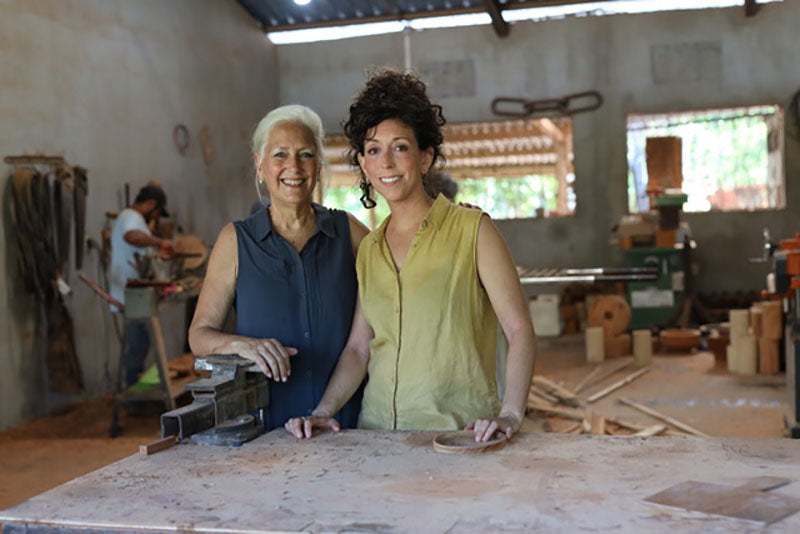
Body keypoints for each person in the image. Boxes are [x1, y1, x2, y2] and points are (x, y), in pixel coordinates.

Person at [285, 70, 536, 442]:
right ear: (364, 166)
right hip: (379, 437)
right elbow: (358, 349)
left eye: (400, 147)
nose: (386, 161)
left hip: (458, 437)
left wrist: (511, 414)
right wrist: (323, 411)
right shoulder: (370, 249)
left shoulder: (473, 230)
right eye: (373, 150)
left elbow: (519, 330)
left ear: (424, 158)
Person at [188, 105, 368, 431]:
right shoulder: (236, 240)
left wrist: (455, 221)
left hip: (346, 422)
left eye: (306, 154)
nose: (293, 167)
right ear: (259, 165)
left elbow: (402, 264)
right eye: (280, 155)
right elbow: (199, 334)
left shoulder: (348, 232)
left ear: (319, 165)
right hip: (266, 427)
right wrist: (240, 344)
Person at [109, 184, 175, 387]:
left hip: (136, 296)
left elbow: (139, 249)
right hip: (132, 296)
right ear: (151, 205)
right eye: (156, 213)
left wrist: (156, 253)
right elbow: (132, 237)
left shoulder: (132, 218)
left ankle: (136, 395)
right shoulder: (131, 217)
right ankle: (133, 399)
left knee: (141, 345)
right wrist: (159, 242)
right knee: (137, 347)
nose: (154, 218)